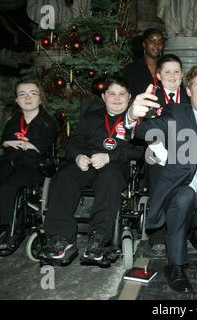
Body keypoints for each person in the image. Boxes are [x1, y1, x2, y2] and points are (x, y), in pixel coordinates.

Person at [125, 64, 197, 293]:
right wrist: (132, 115)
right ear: (188, 91)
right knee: (185, 197)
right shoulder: (177, 114)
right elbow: (141, 132)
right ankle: (175, 265)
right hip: (180, 199)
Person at [42, 76, 136, 264]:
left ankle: (98, 238)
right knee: (65, 175)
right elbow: (73, 142)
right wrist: (78, 156)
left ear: (129, 97)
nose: (117, 98)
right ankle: (61, 238)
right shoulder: (91, 118)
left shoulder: (135, 120)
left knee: (110, 178)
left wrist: (110, 157)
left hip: (115, 165)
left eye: (122, 94)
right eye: (111, 94)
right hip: (88, 162)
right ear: (103, 97)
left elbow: (140, 150)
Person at [0, 79, 57, 254]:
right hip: (9, 162)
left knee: (8, 189)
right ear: (17, 101)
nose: (27, 98)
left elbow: (39, 147)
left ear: (40, 99)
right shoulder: (14, 120)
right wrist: (15, 143)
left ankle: (11, 230)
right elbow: (7, 143)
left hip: (33, 165)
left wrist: (19, 144)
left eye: (32, 93)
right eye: (22, 94)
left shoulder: (47, 122)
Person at [148, 53, 190, 256]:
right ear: (159, 75)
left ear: (182, 75)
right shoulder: (151, 98)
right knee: (159, 177)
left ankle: (184, 232)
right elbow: (146, 129)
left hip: (185, 151)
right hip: (156, 151)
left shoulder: (191, 97)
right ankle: (157, 234)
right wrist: (165, 156)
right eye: (167, 72)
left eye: (176, 72)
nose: (172, 76)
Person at [123, 28, 164, 97]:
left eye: (160, 42)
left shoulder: (167, 67)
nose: (157, 45)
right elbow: (126, 96)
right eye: (152, 41)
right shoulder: (132, 69)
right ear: (144, 44)